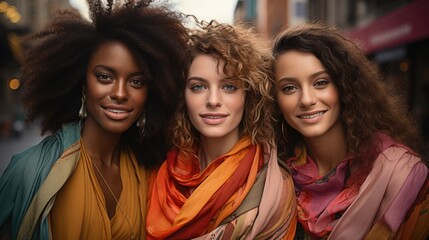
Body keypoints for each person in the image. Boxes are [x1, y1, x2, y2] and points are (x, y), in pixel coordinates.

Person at [0, 0, 188, 239]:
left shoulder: (148, 170)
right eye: (104, 76)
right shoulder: (29, 171)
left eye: (136, 81)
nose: (120, 93)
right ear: (82, 81)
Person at [272, 22, 429, 239]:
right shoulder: (273, 174)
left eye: (320, 83)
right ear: (274, 99)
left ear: (345, 86)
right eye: (289, 88)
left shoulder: (400, 173)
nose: (306, 100)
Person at [145, 21, 297, 239]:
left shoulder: (273, 188)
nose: (213, 100)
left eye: (229, 87)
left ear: (248, 95)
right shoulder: (159, 173)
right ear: (182, 96)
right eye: (198, 87)